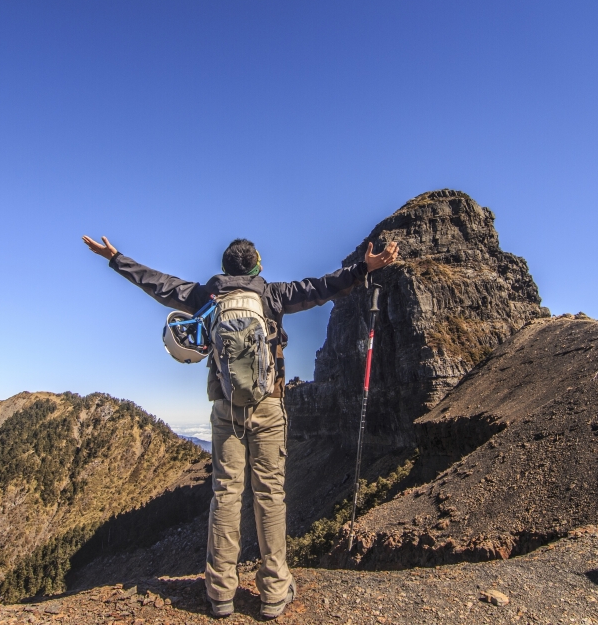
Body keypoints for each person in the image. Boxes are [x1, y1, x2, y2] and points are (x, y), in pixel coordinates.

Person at [81, 234, 399, 619]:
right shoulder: (273, 294)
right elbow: (322, 286)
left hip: (225, 410)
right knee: (269, 494)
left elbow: (157, 283)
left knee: (226, 494)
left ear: (226, 268)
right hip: (268, 406)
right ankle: (273, 592)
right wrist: (365, 267)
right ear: (256, 266)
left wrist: (116, 258)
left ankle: (219, 594)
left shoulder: (206, 295)